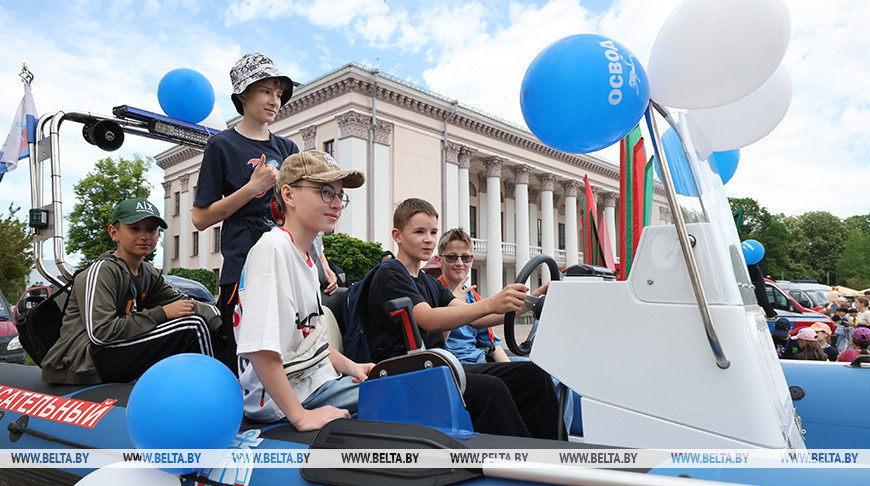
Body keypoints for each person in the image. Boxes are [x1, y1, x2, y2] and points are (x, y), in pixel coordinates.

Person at [364, 198, 561, 439]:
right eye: (419, 232)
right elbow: (428, 319)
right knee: (492, 389)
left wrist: (530, 303)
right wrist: (490, 302)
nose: (428, 239)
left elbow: (476, 318)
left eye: (433, 232)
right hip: (405, 372)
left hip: (438, 367)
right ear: (397, 235)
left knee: (533, 375)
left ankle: (553, 455)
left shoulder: (427, 282)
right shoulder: (391, 273)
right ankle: (517, 462)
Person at [192, 53, 337, 373]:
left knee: (295, 354)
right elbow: (200, 219)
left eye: (279, 93)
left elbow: (300, 213)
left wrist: (322, 264)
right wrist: (251, 188)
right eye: (266, 91)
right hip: (243, 267)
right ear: (243, 95)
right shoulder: (221, 145)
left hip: (290, 265)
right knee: (242, 360)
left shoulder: (287, 149)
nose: (275, 100)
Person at [234, 150, 372, 430]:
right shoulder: (272, 250)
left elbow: (311, 339)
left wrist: (353, 367)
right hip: (282, 401)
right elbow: (261, 350)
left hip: (316, 384)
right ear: (289, 195)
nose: (336, 204)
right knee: (407, 395)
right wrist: (299, 416)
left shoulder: (307, 261)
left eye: (339, 195)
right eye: (325, 192)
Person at [41, 198, 222, 385]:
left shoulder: (148, 272)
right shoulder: (103, 270)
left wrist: (221, 323)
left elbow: (186, 305)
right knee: (191, 327)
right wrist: (162, 313)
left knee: (204, 323)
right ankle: (213, 389)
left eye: (151, 229)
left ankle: (229, 382)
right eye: (134, 228)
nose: (144, 236)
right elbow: (100, 333)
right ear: (114, 233)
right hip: (83, 361)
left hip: (114, 351)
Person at [435, 228, 511, 364]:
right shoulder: (432, 292)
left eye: (465, 257)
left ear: (471, 260)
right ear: (439, 260)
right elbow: (434, 347)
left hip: (480, 358)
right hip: (454, 364)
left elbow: (491, 344)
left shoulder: (472, 295)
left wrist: (512, 369)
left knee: (541, 371)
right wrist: (453, 306)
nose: (459, 263)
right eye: (452, 257)